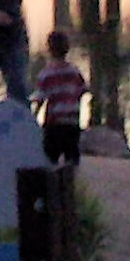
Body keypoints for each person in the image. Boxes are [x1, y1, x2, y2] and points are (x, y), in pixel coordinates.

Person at [33, 29, 90, 169]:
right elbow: (83, 91)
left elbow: (40, 98)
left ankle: (53, 186)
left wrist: (33, 118)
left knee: (49, 160)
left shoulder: (46, 75)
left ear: (49, 50)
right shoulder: (75, 72)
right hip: (72, 123)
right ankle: (70, 185)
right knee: (72, 158)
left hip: (54, 124)